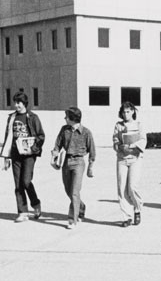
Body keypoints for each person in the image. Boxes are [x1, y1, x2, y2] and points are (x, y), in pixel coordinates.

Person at [1, 91, 45, 222]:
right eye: (15, 102)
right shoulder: (12, 117)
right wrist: (6, 157)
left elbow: (41, 136)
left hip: (29, 155)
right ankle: (22, 212)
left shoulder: (32, 117)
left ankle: (36, 204)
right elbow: (7, 137)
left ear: (24, 103)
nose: (16, 105)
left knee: (26, 181)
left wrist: (32, 149)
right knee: (18, 184)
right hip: (15, 154)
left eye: (18, 102)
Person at [52, 106, 96, 229]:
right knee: (68, 191)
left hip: (79, 162)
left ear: (72, 119)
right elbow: (57, 144)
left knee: (75, 191)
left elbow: (92, 151)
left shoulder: (86, 132)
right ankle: (81, 207)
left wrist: (90, 167)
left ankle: (72, 219)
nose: (65, 118)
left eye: (66, 116)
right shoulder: (64, 130)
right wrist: (55, 154)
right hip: (66, 161)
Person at [113, 102, 146, 227]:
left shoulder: (139, 125)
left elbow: (143, 140)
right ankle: (126, 216)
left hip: (135, 158)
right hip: (122, 158)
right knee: (121, 188)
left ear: (133, 111)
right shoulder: (118, 125)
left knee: (132, 187)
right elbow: (115, 139)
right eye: (123, 112)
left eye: (128, 111)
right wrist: (119, 146)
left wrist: (132, 146)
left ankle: (137, 208)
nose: (126, 114)